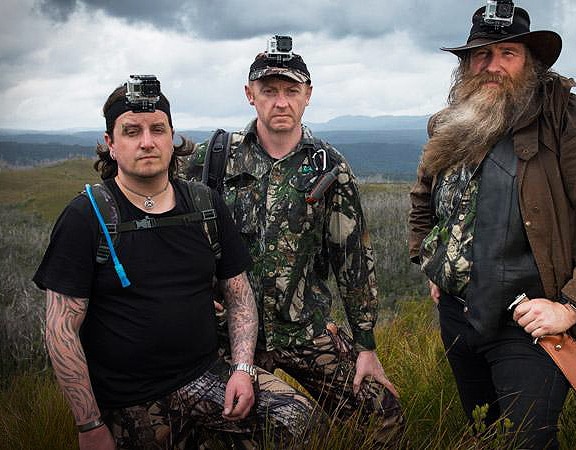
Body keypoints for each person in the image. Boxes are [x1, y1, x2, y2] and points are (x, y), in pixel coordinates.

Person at [408, 6, 576, 449]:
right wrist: (432, 265)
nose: (493, 65)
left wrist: (571, 307)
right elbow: (425, 197)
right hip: (458, 319)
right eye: (481, 54)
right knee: (485, 434)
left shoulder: (573, 122)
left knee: (527, 442)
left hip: (532, 328)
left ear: (530, 62)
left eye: (508, 52)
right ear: (466, 63)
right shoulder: (450, 122)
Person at [33, 76, 320, 450]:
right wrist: (89, 424)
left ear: (172, 137)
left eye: (158, 129)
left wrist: (242, 370)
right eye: (132, 131)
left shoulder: (204, 205)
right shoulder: (86, 216)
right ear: (111, 144)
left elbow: (239, 296)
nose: (147, 141)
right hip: (129, 397)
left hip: (205, 374)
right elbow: (61, 330)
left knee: (297, 419)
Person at [182, 37, 403, 444]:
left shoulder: (329, 167)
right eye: (269, 91)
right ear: (250, 95)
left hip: (304, 329)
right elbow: (171, 227)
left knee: (381, 411)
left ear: (308, 96)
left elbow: (352, 259)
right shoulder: (214, 159)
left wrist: (366, 345)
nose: (280, 102)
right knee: (239, 429)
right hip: (227, 335)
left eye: (291, 90)